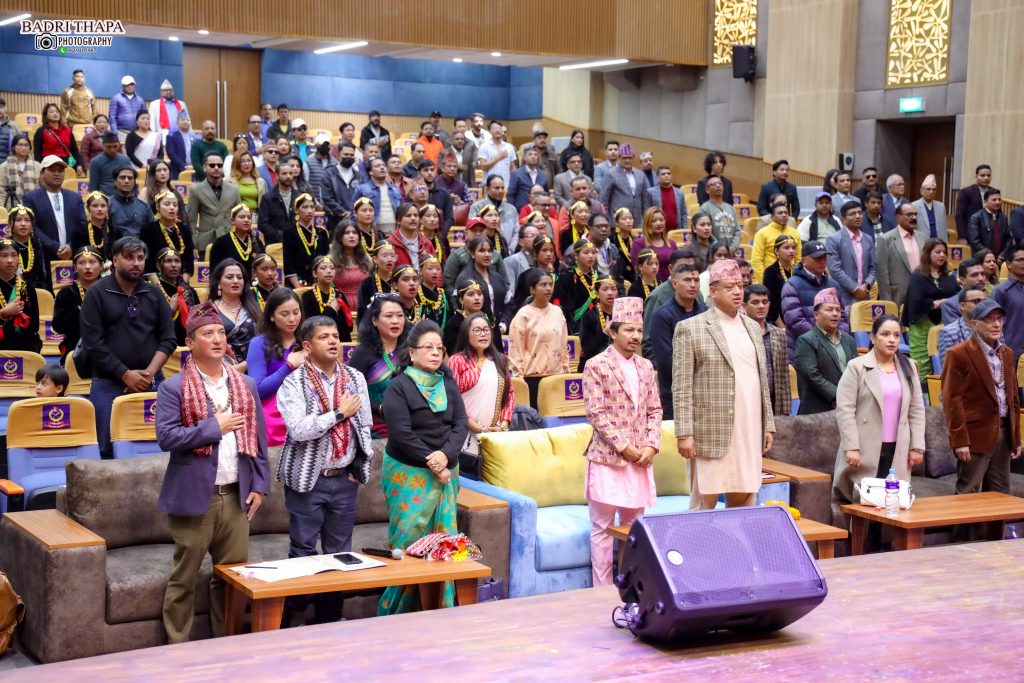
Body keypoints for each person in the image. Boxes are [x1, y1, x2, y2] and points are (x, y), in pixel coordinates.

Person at [155, 301, 269, 644]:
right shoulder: (173, 387)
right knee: (184, 578)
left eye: (221, 332)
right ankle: (177, 647)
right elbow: (167, 437)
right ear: (190, 342)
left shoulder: (245, 384)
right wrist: (213, 427)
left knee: (232, 578)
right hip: (196, 497)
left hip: (236, 495)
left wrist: (260, 485)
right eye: (208, 333)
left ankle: (227, 643)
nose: (218, 339)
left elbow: (259, 440)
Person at [277, 314, 373, 625]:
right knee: (303, 551)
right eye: (324, 337)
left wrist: (360, 465)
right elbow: (299, 430)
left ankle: (329, 622)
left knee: (340, 554)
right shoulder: (294, 383)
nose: (333, 341)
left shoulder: (355, 378)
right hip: (308, 480)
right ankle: (291, 621)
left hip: (344, 478)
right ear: (307, 346)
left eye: (335, 335)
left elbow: (365, 424)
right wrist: (338, 414)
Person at [378, 320, 467, 614]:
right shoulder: (398, 386)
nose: (435, 353)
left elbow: (460, 424)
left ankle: (441, 610)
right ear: (412, 352)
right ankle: (398, 614)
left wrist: (446, 455)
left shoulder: (448, 383)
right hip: (409, 475)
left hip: (445, 471)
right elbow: (401, 434)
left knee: (446, 544)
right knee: (408, 545)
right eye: (428, 347)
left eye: (439, 348)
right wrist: (435, 462)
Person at [673, 259, 775, 509]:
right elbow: (681, 386)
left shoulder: (753, 327)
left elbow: (762, 380)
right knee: (704, 504)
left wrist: (768, 424)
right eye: (729, 287)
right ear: (713, 291)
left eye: (740, 285)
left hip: (749, 427)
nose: (737, 291)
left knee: (746, 498)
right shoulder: (690, 328)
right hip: (710, 430)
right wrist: (684, 433)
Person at [581, 296, 660, 587]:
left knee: (633, 529)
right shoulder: (596, 365)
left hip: (640, 459)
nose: (635, 336)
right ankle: (601, 590)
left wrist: (651, 445)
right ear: (612, 332)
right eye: (628, 330)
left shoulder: (646, 366)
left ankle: (630, 588)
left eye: (639, 330)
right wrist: (625, 447)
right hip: (608, 458)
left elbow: (655, 410)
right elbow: (596, 413)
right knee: (602, 528)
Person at [81, 236, 176, 458]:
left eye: (140, 258)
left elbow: (169, 339)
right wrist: (125, 374)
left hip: (151, 381)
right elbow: (93, 344)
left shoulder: (154, 293)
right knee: (106, 449)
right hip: (108, 383)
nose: (136, 263)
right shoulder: (96, 293)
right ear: (115, 260)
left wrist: (148, 374)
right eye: (129, 258)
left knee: (158, 445)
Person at [833, 314, 926, 511]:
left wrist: (917, 446)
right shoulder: (857, 367)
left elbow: (917, 410)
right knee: (864, 504)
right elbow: (845, 409)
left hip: (898, 447)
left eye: (896, 335)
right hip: (865, 446)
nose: (892, 340)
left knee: (893, 503)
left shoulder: (909, 366)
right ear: (873, 338)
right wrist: (851, 446)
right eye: (885, 334)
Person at [941, 299, 1021, 494]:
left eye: (999, 319)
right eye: (989, 319)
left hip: (1003, 433)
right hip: (974, 435)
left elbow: (1013, 398)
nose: (996, 324)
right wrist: (959, 440)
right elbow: (952, 401)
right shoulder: (958, 354)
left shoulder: (1008, 353)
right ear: (974, 324)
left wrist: (1016, 436)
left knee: (1000, 495)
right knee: (968, 493)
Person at [448, 312, 514, 478]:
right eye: (477, 330)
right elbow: (452, 397)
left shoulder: (500, 360)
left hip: (495, 435)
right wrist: (473, 425)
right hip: (464, 435)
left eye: (486, 330)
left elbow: (509, 394)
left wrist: (503, 425)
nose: (483, 334)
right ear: (466, 333)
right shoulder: (457, 361)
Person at [246, 287, 305, 453]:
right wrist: (288, 367)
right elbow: (257, 389)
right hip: (272, 420)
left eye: (296, 312)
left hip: (306, 416)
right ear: (272, 316)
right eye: (284, 314)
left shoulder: (308, 341)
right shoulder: (259, 343)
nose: (292, 319)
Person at [650, 262, 705, 420]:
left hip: (704, 393)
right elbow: (666, 360)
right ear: (674, 283)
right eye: (687, 280)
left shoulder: (706, 312)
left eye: (696, 280)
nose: (693, 285)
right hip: (675, 394)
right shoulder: (662, 315)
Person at [348, 294, 408, 439]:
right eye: (389, 316)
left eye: (400, 316)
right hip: (374, 433)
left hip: (409, 430)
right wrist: (380, 408)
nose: (395, 321)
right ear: (375, 320)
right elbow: (350, 395)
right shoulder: (363, 353)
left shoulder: (410, 350)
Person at [507, 268, 570, 407]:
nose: (548, 289)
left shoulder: (557, 312)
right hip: (531, 379)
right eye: (543, 285)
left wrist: (566, 370)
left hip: (556, 377)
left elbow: (563, 345)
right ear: (532, 289)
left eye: (550, 284)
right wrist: (519, 380)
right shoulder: (523, 315)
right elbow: (516, 350)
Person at [793, 288, 858, 415]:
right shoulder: (806, 340)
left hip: (847, 408)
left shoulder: (849, 340)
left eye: (838, 310)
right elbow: (812, 376)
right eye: (829, 309)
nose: (835, 314)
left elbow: (856, 371)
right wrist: (839, 396)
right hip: (817, 411)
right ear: (816, 315)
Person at [781, 240, 848, 360]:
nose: (822, 261)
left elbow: (842, 317)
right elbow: (795, 321)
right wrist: (822, 340)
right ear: (803, 260)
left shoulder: (833, 285)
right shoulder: (792, 284)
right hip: (803, 350)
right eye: (817, 258)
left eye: (824, 257)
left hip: (834, 348)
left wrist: (838, 338)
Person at [902, 239, 959, 373]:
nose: (942, 255)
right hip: (922, 324)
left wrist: (946, 302)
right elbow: (915, 302)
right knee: (923, 366)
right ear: (928, 253)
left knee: (945, 361)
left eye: (944, 252)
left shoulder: (949, 275)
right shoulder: (918, 276)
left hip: (944, 323)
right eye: (938, 252)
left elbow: (958, 296)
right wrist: (937, 303)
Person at [23, 155, 84, 260]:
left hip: (73, 255)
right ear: (42, 173)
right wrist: (54, 247)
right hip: (43, 255)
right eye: (52, 170)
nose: (56, 174)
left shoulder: (75, 197)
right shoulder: (30, 198)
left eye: (60, 171)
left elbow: (82, 225)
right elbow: (32, 227)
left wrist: (70, 246)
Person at [744, 284, 791, 416]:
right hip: (749, 401)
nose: (761, 306)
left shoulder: (779, 334)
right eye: (755, 302)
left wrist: (785, 411)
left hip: (774, 400)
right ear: (743, 306)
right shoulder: (739, 334)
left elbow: (784, 376)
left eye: (764, 302)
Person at [53, 245, 103, 362]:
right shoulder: (66, 293)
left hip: (105, 348)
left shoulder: (109, 290)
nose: (87, 267)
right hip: (74, 347)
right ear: (75, 267)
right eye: (82, 263)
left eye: (92, 262)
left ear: (101, 266)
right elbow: (58, 326)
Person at [208, 259, 261, 371]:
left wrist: (245, 365)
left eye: (239, 277)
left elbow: (265, 340)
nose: (235, 281)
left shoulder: (253, 308)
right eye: (229, 277)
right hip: (218, 370)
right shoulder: (209, 310)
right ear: (218, 282)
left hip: (254, 368)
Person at [187, 152, 242, 252]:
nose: (216, 168)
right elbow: (191, 221)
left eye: (219, 165)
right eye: (212, 165)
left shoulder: (233, 189)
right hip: (205, 241)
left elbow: (240, 216)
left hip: (228, 239)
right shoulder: (196, 190)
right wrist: (193, 245)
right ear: (204, 167)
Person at [876, 203, 927, 309]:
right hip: (898, 294)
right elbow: (882, 274)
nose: (914, 217)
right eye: (909, 214)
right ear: (898, 217)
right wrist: (887, 303)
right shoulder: (886, 239)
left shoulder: (923, 237)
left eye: (915, 214)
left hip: (922, 292)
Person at [827, 201, 876, 308]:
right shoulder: (834, 239)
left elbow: (873, 268)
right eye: (852, 214)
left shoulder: (868, 239)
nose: (857, 216)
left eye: (860, 213)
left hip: (864, 295)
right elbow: (835, 269)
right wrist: (855, 289)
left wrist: (867, 285)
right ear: (843, 219)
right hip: (844, 296)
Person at [454, 236, 507, 331]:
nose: (487, 255)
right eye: (482, 251)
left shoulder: (497, 277)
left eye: (489, 251)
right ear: (472, 254)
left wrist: (503, 324)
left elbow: (508, 303)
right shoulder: (464, 278)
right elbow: (459, 306)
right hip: (473, 328)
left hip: (498, 329)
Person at [142, 190, 195, 284]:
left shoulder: (184, 229)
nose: (172, 208)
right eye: (167, 204)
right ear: (158, 207)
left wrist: (181, 286)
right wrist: (159, 287)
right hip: (154, 282)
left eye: (175, 205)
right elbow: (148, 264)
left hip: (180, 281)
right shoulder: (148, 229)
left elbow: (189, 262)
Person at [0, 237, 41, 353]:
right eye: (4, 256)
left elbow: (35, 325)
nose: (10, 260)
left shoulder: (27, 287)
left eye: (14, 255)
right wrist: (4, 313)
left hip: (23, 347)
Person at [300, 255, 353, 342]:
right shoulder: (308, 297)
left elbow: (349, 327)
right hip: (318, 342)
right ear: (315, 273)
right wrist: (331, 310)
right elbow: (311, 327)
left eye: (332, 268)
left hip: (340, 342)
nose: (329, 271)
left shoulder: (339, 296)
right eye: (323, 268)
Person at [554, 236, 601, 336]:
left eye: (593, 252)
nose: (591, 256)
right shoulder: (567, 277)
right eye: (586, 252)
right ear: (576, 255)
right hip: (574, 328)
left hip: (598, 325)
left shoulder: (600, 277)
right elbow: (563, 308)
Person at [155, 248, 201, 346]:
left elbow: (199, 321)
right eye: (168, 261)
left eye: (177, 261)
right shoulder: (152, 292)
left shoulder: (190, 292)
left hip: (187, 346)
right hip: (160, 346)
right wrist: (171, 310)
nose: (173, 265)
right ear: (159, 266)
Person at [283, 193, 329, 288]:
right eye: (305, 207)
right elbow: (289, 266)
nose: (309, 211)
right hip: (297, 284)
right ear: (296, 210)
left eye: (312, 207)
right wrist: (299, 289)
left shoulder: (321, 233)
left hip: (319, 282)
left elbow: (326, 260)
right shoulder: (289, 233)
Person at [751, 200, 802, 283]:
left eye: (786, 213)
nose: (784, 215)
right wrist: (764, 281)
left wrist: (797, 279)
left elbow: (798, 259)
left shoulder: (795, 232)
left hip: (792, 277)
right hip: (770, 277)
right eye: (780, 213)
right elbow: (756, 261)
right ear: (772, 216)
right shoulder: (762, 233)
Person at [209, 204, 264, 278]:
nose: (246, 220)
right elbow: (214, 272)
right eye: (242, 217)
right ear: (232, 221)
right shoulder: (221, 242)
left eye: (249, 218)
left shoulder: (256, 241)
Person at [351, 157, 402, 235]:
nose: (382, 168)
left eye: (383, 165)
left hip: (395, 232)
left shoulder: (395, 189)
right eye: (377, 166)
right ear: (370, 172)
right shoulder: (362, 189)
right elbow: (353, 213)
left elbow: (401, 212)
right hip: (372, 232)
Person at [576, 276, 618, 372]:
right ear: (597, 294)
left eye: (613, 289)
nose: (610, 293)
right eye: (605, 289)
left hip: (616, 366)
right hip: (592, 368)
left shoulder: (621, 315)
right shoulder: (588, 316)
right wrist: (605, 333)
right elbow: (587, 350)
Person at [938, 286, 986, 365]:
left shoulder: (993, 327)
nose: (982, 305)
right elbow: (948, 367)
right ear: (962, 306)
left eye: (984, 302)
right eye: (977, 301)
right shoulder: (949, 332)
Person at [991, 245, 1024, 360]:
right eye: (1020, 260)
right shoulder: (1001, 291)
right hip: (1012, 352)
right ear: (1009, 264)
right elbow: (993, 322)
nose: (1023, 263)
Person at [599, 144, 646, 224]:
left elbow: (645, 199)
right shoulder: (611, 173)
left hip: (638, 220)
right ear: (619, 158)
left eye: (630, 157)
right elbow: (604, 199)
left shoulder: (641, 174)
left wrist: (645, 218)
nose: (627, 160)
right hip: (618, 220)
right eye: (624, 158)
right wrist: (607, 220)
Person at [7, 205, 50, 291]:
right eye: (18, 220)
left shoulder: (39, 245)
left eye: (27, 220)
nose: (23, 224)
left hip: (38, 290)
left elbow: (46, 276)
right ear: (10, 224)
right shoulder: (5, 246)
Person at [321, 141, 365, 225]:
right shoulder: (328, 174)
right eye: (346, 154)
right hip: (334, 220)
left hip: (355, 220)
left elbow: (362, 198)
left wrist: (353, 213)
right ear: (338, 155)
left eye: (351, 155)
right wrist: (343, 212)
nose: (349, 157)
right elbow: (327, 198)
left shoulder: (359, 176)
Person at [630, 207, 677, 283]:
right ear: (647, 223)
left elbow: (677, 267)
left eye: (661, 220)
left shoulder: (672, 243)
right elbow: (637, 270)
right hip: (649, 285)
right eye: (654, 221)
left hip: (671, 284)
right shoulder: (638, 243)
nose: (659, 223)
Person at [33, 103, 83, 174]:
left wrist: (79, 164)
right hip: (49, 163)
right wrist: (40, 169)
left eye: (57, 111)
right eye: (51, 112)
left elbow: (75, 151)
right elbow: (37, 154)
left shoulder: (67, 130)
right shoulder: (41, 131)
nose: (55, 113)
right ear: (46, 116)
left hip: (67, 162)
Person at [331, 222, 372, 307]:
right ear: (339, 236)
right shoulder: (331, 260)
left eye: (355, 233)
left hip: (364, 303)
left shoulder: (367, 259)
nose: (351, 236)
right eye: (347, 233)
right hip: (340, 304)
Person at [967, 188, 1012, 262]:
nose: (997, 202)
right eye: (994, 200)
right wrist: (991, 256)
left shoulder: (1003, 217)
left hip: (1002, 258)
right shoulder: (976, 218)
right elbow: (975, 241)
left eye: (999, 199)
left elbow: (1009, 239)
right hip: (982, 258)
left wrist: (1003, 255)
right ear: (985, 201)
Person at [387, 202, 436, 270]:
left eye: (416, 215)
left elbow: (436, 267)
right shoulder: (390, 244)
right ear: (398, 220)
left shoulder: (426, 242)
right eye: (408, 215)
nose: (413, 218)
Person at [762, 234, 796, 325]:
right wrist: (781, 326)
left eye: (793, 248)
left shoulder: (798, 270)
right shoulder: (770, 272)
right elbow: (771, 301)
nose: (791, 251)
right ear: (777, 251)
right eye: (786, 248)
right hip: (779, 319)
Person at [699, 175, 741, 250]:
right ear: (707, 190)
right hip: (713, 251)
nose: (718, 185)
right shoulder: (704, 208)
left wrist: (733, 248)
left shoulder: (731, 208)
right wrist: (720, 248)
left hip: (731, 252)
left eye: (720, 183)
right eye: (714, 184)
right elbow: (706, 232)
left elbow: (737, 231)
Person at [0, 134, 41, 209]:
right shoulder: (4, 167)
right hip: (11, 207)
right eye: (20, 145)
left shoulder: (37, 166)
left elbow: (41, 189)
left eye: (26, 145)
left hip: (34, 206)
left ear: (30, 148)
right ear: (13, 147)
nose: (23, 148)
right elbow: (1, 190)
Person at [642, 165, 687, 230]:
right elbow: (647, 213)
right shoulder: (650, 193)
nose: (666, 175)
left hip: (676, 230)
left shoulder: (680, 193)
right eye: (663, 174)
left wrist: (684, 229)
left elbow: (683, 214)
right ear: (657, 178)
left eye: (668, 173)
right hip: (657, 230)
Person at [941, 258, 985, 324]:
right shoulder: (950, 305)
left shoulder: (990, 298)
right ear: (962, 280)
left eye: (982, 274)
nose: (981, 278)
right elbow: (954, 330)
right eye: (974, 275)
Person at [88, 130, 131, 197]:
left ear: (119, 144)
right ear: (103, 145)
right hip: (104, 197)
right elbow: (93, 186)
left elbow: (130, 182)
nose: (112, 150)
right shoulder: (95, 162)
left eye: (115, 146)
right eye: (109, 147)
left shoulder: (125, 160)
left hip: (123, 197)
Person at [357, 241, 397, 313]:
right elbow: (363, 312)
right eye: (385, 256)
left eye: (392, 256)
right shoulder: (367, 284)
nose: (389, 259)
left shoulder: (399, 281)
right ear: (375, 259)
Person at [73, 190, 112, 262]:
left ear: (108, 208)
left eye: (103, 206)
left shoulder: (114, 230)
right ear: (88, 208)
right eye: (95, 206)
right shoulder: (81, 231)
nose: (99, 209)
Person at [955, 164, 992, 238]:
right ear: (976, 176)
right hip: (971, 234)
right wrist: (962, 237)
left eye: (988, 175)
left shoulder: (994, 192)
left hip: (990, 235)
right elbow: (959, 216)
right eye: (982, 175)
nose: (986, 178)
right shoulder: (966, 192)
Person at [476, 120, 517, 185]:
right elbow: (482, 166)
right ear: (489, 131)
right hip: (489, 185)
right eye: (494, 128)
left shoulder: (509, 147)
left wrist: (514, 182)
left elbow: (512, 168)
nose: (497, 130)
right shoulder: (484, 146)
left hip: (506, 184)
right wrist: (498, 158)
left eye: (499, 128)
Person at [107, 75, 146, 142]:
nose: (130, 86)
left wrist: (144, 131)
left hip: (137, 133)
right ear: (123, 86)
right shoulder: (116, 99)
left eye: (132, 84)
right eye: (127, 85)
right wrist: (115, 133)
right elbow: (112, 118)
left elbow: (144, 117)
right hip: (121, 133)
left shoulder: (140, 100)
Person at [912, 174, 948, 241]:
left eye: (934, 189)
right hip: (921, 242)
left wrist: (945, 243)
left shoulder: (941, 206)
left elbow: (943, 228)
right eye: (928, 189)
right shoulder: (914, 206)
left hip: (938, 243)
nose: (931, 192)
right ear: (921, 191)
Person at [418, 255, 449, 329]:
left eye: (438, 269)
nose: (435, 272)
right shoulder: (415, 295)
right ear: (420, 271)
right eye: (430, 268)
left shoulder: (444, 295)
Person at [166, 113, 197, 180]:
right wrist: (184, 166)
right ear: (177, 123)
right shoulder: (171, 136)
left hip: (194, 169)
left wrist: (194, 166)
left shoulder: (196, 138)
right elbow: (171, 154)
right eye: (183, 120)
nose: (185, 122)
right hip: (177, 169)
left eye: (187, 120)